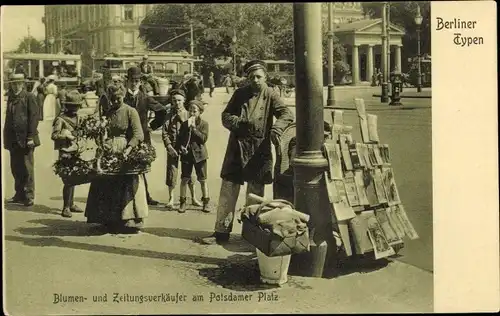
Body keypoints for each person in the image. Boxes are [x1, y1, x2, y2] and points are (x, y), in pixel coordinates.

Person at [200, 60, 294, 245]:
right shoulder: (240, 93)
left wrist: (276, 129)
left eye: (259, 77)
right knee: (228, 188)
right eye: (252, 77)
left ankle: (250, 234)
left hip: (259, 149)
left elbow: (286, 114)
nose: (256, 80)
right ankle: (221, 232)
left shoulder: (271, 94)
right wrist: (239, 123)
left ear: (265, 77)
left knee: (255, 192)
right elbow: (225, 116)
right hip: (237, 146)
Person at [85, 84, 147, 233]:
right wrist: (101, 140)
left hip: (124, 148)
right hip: (108, 150)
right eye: (113, 99)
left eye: (118, 98)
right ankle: (107, 219)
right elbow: (103, 130)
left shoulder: (130, 112)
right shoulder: (109, 112)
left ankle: (129, 218)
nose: (115, 102)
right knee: (106, 182)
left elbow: (139, 134)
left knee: (125, 182)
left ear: (123, 96)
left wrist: (129, 149)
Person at [123, 66, 168, 206]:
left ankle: (144, 196)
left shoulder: (145, 98)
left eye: (137, 81)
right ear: (127, 81)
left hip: (141, 139)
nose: (134, 83)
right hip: (124, 139)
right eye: (132, 80)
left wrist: (151, 127)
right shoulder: (122, 97)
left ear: (141, 82)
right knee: (124, 168)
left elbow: (162, 112)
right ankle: (126, 198)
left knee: (141, 169)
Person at [3, 73, 40, 206]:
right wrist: (6, 140)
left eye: (18, 83)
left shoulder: (29, 97)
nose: (15, 85)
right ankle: (19, 194)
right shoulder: (11, 98)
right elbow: (8, 120)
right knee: (15, 168)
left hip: (26, 139)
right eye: (13, 83)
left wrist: (30, 137)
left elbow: (34, 118)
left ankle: (29, 196)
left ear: (22, 84)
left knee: (27, 168)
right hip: (13, 140)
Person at [161, 89, 200, 209]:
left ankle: (193, 197)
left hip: (185, 148)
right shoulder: (168, 115)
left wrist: (186, 146)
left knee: (189, 172)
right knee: (171, 171)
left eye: (179, 100)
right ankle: (171, 198)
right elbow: (164, 132)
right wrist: (169, 146)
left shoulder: (189, 114)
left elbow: (192, 132)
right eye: (174, 100)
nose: (177, 103)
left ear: (184, 101)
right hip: (172, 146)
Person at [51, 90, 85, 218]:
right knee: (68, 180)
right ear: (67, 106)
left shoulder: (79, 118)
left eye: (77, 106)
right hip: (65, 152)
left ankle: (71, 204)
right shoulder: (60, 119)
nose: (75, 109)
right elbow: (54, 136)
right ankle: (65, 207)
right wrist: (65, 136)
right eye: (72, 106)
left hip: (76, 150)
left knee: (74, 178)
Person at [177, 100, 210, 213]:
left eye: (194, 111)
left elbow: (203, 139)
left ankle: (206, 202)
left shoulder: (204, 124)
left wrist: (194, 128)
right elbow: (180, 139)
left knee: (202, 179)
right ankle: (182, 202)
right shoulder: (184, 124)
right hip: (187, 155)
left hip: (200, 155)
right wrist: (181, 147)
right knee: (185, 178)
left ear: (200, 112)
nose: (192, 113)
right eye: (190, 110)